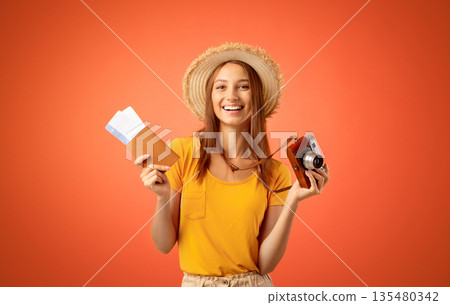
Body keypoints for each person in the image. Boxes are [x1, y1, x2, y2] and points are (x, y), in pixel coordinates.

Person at [134, 42, 329, 287]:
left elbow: (265, 263)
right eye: (221, 87)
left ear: (255, 97)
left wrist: (293, 200)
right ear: (211, 97)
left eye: (243, 87)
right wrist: (162, 198)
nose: (232, 96)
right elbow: (163, 245)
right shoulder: (182, 153)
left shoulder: (275, 173)